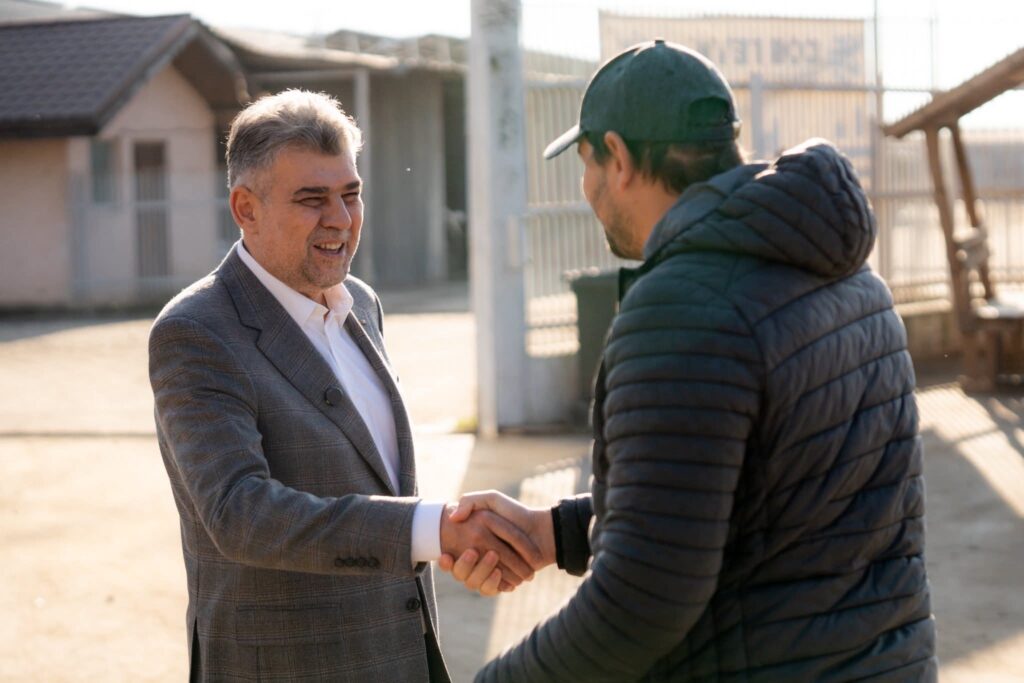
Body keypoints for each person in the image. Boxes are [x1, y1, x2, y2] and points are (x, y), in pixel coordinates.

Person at [442, 40, 937, 681]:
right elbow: (760, 498)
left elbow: (640, 604)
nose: (588, 189)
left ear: (617, 158)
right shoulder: (845, 275)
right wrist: (556, 532)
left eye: (588, 164)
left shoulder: (683, 307)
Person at [148, 89, 541, 682]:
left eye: (351, 194)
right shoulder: (196, 331)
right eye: (312, 199)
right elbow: (240, 514)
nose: (340, 219)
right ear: (245, 208)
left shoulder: (362, 302)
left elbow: (374, 477)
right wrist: (432, 530)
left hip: (404, 656)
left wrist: (443, 541)